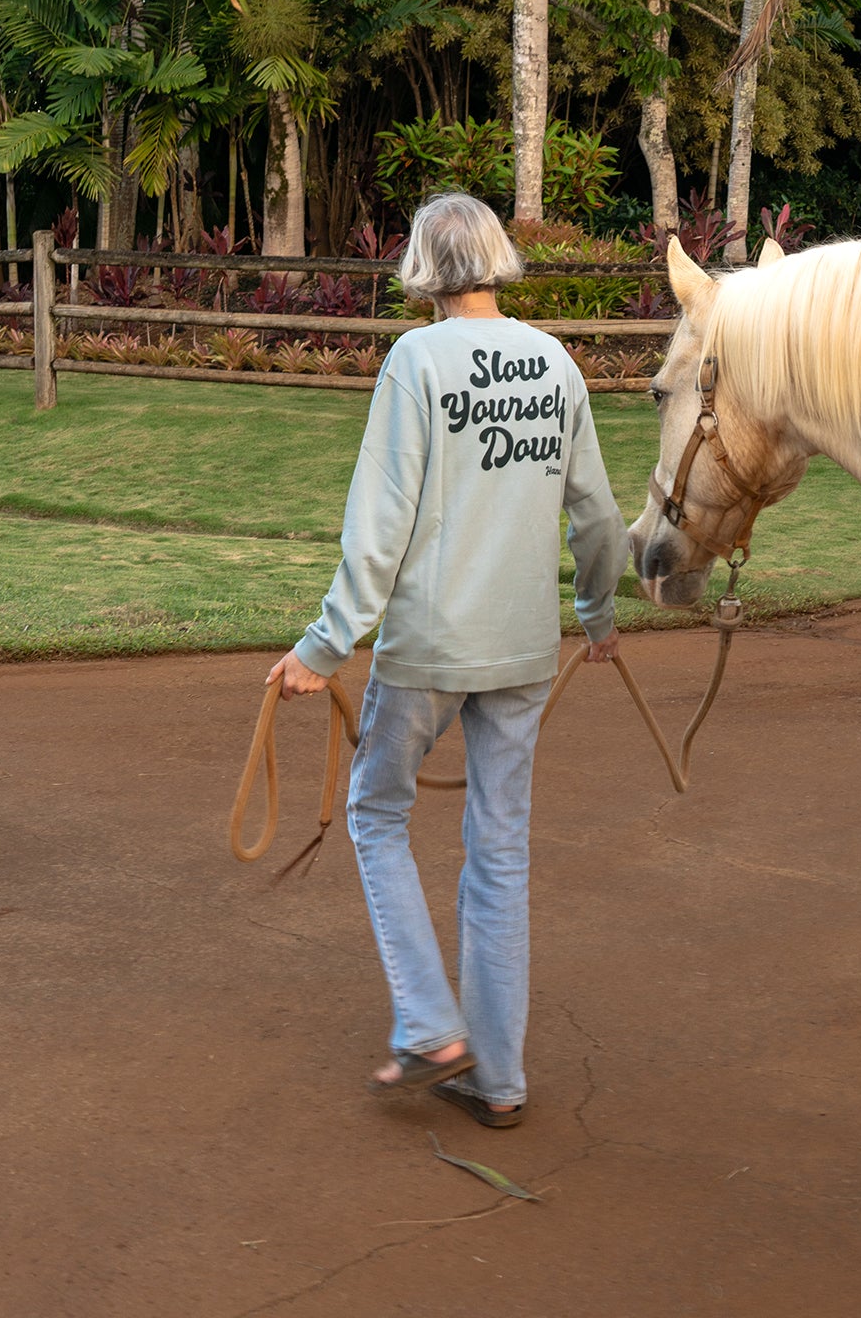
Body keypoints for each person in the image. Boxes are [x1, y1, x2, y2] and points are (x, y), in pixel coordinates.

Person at [268, 192, 628, 1127]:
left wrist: (325, 644)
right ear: (497, 259)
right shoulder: (555, 362)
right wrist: (595, 615)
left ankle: (431, 1027)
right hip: (521, 649)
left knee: (375, 810)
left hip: (427, 648)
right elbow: (596, 515)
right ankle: (498, 1080)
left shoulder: (415, 361)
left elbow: (378, 526)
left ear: (423, 266)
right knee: (499, 854)